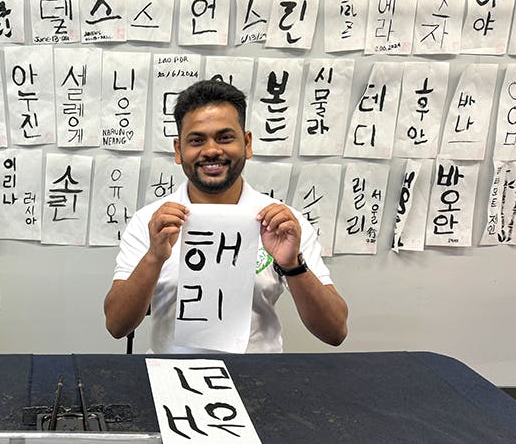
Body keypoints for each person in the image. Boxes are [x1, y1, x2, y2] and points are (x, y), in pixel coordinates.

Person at [103, 80, 348, 354]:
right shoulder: (151, 222)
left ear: (247, 143)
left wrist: (292, 265)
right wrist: (154, 257)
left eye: (225, 137)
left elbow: (335, 331)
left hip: (258, 378)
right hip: (171, 376)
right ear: (178, 150)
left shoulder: (283, 223)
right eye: (196, 140)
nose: (211, 150)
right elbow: (116, 326)